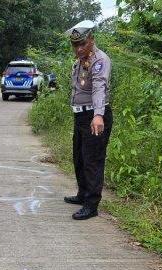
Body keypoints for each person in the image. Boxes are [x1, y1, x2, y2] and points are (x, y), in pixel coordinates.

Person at [63, 20, 113, 220]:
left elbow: (99, 87)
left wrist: (98, 115)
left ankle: (91, 205)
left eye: (83, 44)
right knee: (80, 157)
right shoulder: (79, 62)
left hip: (95, 116)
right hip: (81, 115)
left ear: (92, 40)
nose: (79, 48)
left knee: (93, 160)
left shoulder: (100, 61)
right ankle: (83, 193)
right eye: (75, 45)